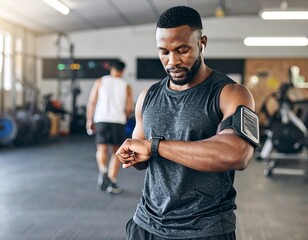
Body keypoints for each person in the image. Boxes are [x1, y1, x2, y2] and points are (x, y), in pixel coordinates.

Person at [116, 6, 259, 240]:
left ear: (202, 42)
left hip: (204, 230)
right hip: (146, 224)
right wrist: (133, 155)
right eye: (164, 52)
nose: (173, 61)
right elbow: (143, 154)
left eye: (182, 50)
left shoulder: (231, 94)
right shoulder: (148, 96)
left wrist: (154, 146)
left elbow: (237, 155)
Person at [86, 59, 133, 194]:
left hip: (101, 119)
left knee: (101, 148)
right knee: (116, 152)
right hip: (118, 120)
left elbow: (92, 102)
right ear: (123, 71)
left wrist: (89, 120)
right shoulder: (126, 85)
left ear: (111, 69)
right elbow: (129, 108)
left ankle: (103, 171)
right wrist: (125, 115)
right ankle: (112, 181)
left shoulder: (101, 81)